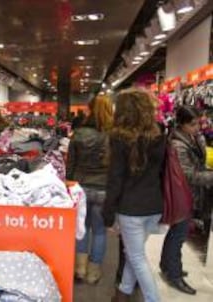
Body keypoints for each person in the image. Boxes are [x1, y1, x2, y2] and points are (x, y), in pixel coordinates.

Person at [103, 89, 165, 302]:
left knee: (137, 257)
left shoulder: (119, 138)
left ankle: (152, 299)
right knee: (133, 254)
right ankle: (123, 293)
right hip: (154, 206)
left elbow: (115, 179)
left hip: (131, 209)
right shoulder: (159, 135)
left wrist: (108, 214)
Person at [160, 106, 213, 295]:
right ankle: (174, 275)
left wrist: (198, 138)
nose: (197, 127)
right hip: (182, 194)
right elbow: (187, 175)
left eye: (199, 123)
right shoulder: (177, 144)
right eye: (193, 124)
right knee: (179, 234)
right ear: (182, 124)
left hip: (188, 193)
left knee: (177, 233)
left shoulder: (191, 138)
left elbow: (198, 162)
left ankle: (168, 266)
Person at [67, 95, 113, 284]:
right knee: (100, 231)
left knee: (82, 229)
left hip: (81, 187)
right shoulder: (114, 135)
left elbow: (70, 163)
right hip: (104, 188)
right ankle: (93, 272)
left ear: (89, 109)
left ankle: (80, 269)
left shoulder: (79, 133)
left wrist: (68, 183)